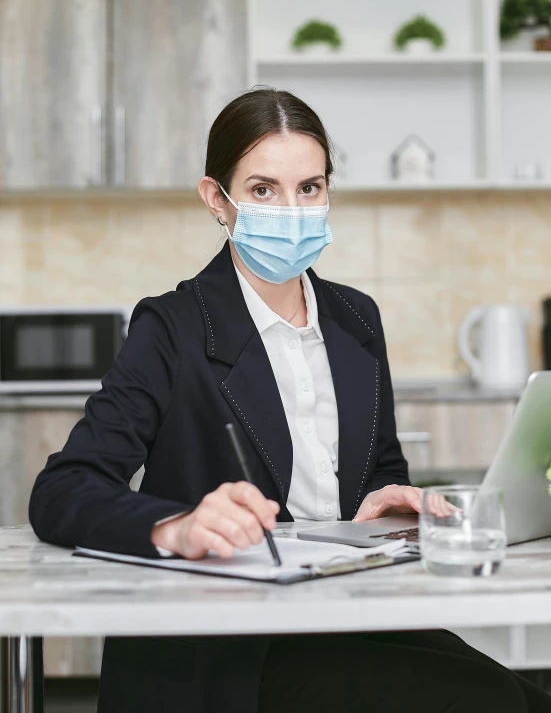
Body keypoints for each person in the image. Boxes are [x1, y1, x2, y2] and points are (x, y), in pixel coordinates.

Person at [29, 86, 551, 713]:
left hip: (348, 609)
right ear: (216, 200)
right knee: (488, 701)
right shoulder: (171, 327)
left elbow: (377, 474)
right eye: (262, 189)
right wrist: (177, 526)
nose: (292, 209)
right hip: (230, 644)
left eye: (309, 187)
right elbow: (62, 489)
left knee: (525, 695)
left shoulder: (357, 318)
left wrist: (387, 502)